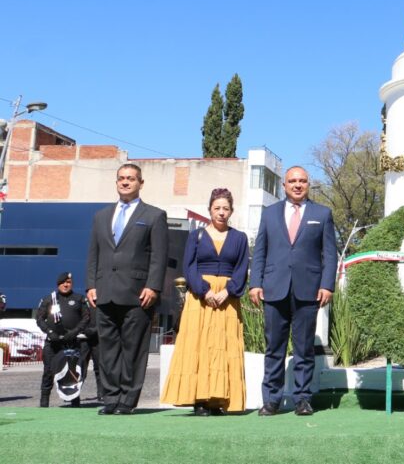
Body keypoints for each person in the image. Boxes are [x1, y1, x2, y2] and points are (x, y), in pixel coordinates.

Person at [249, 166, 338, 417]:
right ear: (284, 185)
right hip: (274, 289)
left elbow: (330, 254)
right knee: (273, 348)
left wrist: (327, 285)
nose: (297, 185)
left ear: (308, 184)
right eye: (292, 181)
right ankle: (271, 400)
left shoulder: (322, 214)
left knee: (304, 348)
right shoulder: (269, 214)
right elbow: (260, 251)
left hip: (308, 290)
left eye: (302, 181)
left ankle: (302, 399)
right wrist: (255, 283)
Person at [85, 163, 168, 415]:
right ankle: (110, 398)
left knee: (133, 349)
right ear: (116, 182)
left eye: (131, 178)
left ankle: (127, 400)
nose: (125, 182)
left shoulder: (154, 215)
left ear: (140, 183)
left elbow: (159, 256)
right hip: (104, 292)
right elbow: (94, 253)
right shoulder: (101, 216)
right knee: (107, 349)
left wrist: (153, 286)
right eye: (121, 178)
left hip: (138, 294)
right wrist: (91, 285)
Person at [161, 188, 249, 415]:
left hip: (227, 300)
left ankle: (218, 399)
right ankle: (200, 399)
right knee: (199, 346)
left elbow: (241, 269)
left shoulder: (240, 238)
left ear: (232, 211)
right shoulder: (196, 236)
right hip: (200, 299)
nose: (221, 212)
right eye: (217, 208)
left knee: (224, 347)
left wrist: (228, 291)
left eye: (225, 208)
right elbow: (189, 266)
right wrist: (204, 291)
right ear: (209, 210)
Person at [35, 271, 91, 407]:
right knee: (48, 371)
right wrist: (50, 332)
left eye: (68, 282)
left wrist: (75, 332)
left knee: (73, 372)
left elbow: (86, 318)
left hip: (72, 342)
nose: (66, 285)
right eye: (63, 283)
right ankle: (44, 403)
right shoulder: (49, 299)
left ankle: (75, 401)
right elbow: (39, 319)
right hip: (53, 343)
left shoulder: (79, 299)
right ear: (58, 284)